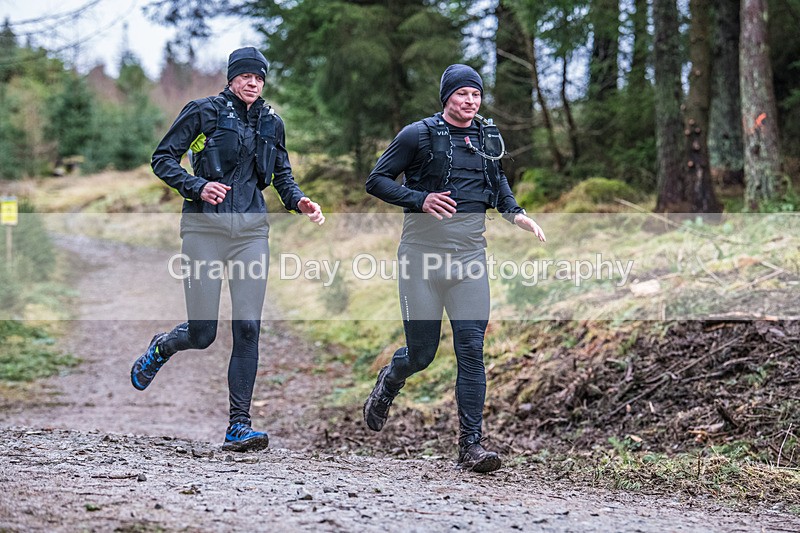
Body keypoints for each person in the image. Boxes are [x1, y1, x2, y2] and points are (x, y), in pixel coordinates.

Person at [130, 47, 324, 452]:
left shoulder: (273, 123)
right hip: (204, 229)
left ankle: (239, 425)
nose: (253, 83)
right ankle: (163, 345)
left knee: (248, 326)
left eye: (260, 77)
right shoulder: (204, 113)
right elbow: (163, 158)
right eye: (246, 76)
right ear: (231, 78)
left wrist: (299, 201)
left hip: (251, 233)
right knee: (203, 333)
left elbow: (282, 175)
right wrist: (197, 186)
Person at [362, 64, 546, 473]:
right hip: (421, 260)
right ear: (447, 97)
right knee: (423, 353)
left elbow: (497, 183)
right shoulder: (417, 134)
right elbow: (376, 181)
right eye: (462, 94)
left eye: (476, 95)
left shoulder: (487, 137)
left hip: (469, 260)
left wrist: (516, 213)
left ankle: (471, 447)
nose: (470, 101)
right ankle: (391, 378)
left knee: (471, 350)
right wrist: (420, 199)